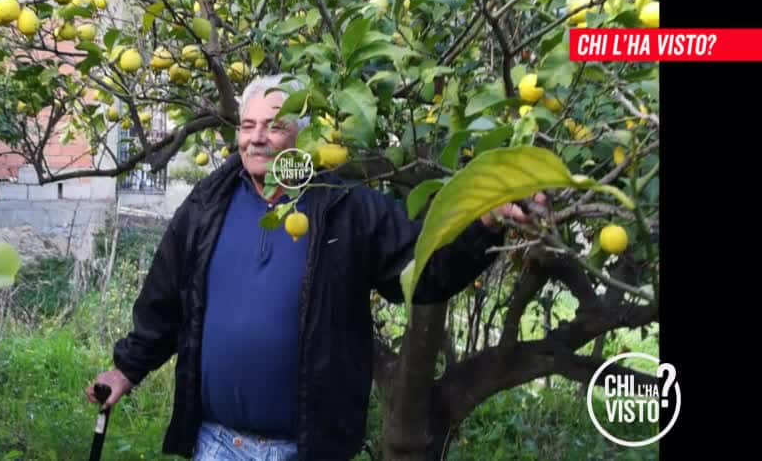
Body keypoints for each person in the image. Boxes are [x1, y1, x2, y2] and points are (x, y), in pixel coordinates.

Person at [87, 74, 544, 460]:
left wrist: (483, 222)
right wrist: (127, 369)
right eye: (247, 126)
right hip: (217, 443)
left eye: (274, 125)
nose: (257, 137)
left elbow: (425, 271)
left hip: (303, 450)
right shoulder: (208, 204)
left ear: (302, 135)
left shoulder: (347, 207)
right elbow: (165, 295)